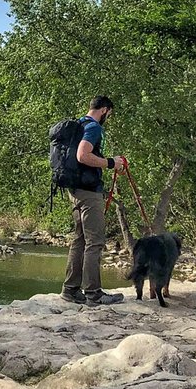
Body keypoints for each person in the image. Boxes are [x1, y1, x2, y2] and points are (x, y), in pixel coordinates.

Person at [62, 95, 128, 306]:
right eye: (110, 113)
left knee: (79, 239)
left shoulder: (79, 124)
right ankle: (94, 293)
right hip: (89, 191)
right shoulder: (93, 128)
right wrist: (111, 163)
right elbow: (83, 155)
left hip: (74, 190)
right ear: (104, 110)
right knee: (95, 241)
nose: (109, 117)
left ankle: (70, 290)